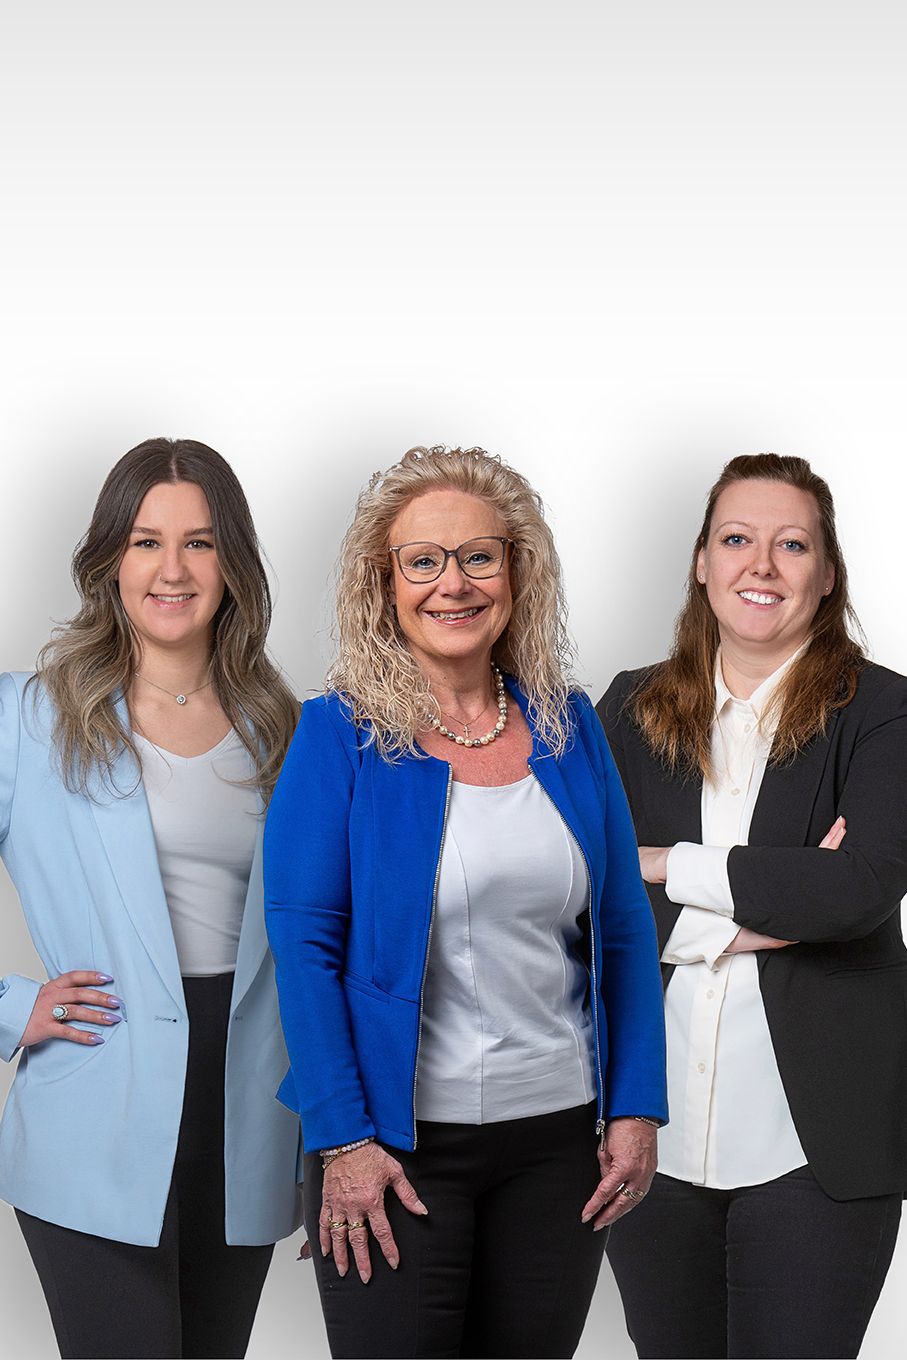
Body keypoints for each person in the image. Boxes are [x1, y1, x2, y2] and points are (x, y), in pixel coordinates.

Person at [264, 444, 667, 1360]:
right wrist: (343, 1141)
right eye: (423, 561)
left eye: (479, 556)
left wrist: (636, 1107)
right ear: (385, 585)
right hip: (394, 1152)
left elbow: (620, 925)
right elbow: (303, 948)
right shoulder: (338, 733)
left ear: (516, 573)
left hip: (558, 1145)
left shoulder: (569, 725)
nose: (453, 583)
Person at [597, 453, 907, 1360]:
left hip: (818, 1141)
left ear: (827, 572)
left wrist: (664, 864)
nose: (760, 565)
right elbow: (586, 896)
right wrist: (772, 905)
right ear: (702, 562)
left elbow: (857, 890)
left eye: (791, 545)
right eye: (736, 539)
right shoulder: (630, 707)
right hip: (646, 1137)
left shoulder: (882, 711)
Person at [0, 438, 304, 1360]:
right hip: (95, 1110)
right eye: (145, 542)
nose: (173, 570)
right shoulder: (28, 719)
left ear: (232, 562)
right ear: (109, 561)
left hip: (249, 1118)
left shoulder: (285, 727)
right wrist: (13, 1008)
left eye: (199, 543)